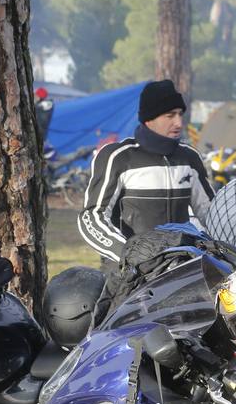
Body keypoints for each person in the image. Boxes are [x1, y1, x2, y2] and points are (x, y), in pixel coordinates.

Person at [78, 79, 214, 265]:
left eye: (180, 114)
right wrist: (127, 254)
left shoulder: (189, 157)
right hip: (130, 272)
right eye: (170, 115)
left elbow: (211, 213)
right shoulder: (119, 157)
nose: (178, 123)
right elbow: (91, 218)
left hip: (182, 267)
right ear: (149, 118)